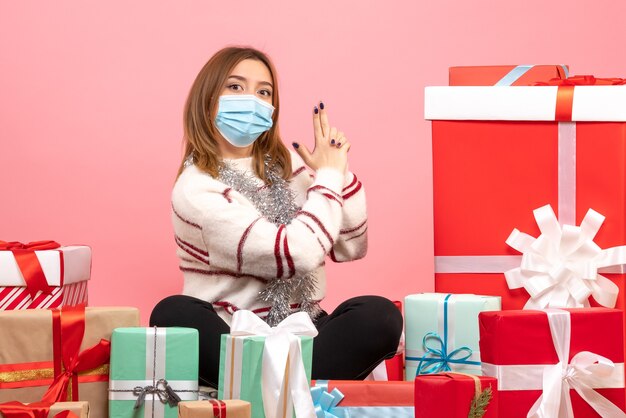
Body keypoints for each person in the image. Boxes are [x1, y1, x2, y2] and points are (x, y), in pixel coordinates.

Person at [150, 46, 402, 388]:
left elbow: (351, 246)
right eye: (235, 87)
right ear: (207, 98)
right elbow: (295, 253)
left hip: (305, 331)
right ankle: (290, 387)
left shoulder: (290, 169)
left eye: (263, 91)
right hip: (233, 335)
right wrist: (327, 179)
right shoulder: (196, 188)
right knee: (173, 314)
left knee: (380, 314)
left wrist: (337, 170)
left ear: (272, 109)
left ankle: (262, 386)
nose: (251, 99)